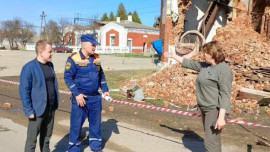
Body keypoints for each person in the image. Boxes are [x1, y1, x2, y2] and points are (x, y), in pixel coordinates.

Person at [164, 41, 233, 152]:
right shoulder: (206, 66)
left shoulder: (224, 70)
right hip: (205, 108)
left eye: (205, 52)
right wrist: (173, 56)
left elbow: (225, 94)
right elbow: (189, 64)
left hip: (215, 109)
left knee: (210, 143)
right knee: (213, 140)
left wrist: (221, 118)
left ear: (212, 54)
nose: (203, 54)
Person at [64, 34, 110, 152]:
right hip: (81, 99)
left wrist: (105, 90)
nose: (94, 47)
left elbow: (101, 76)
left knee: (95, 125)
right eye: (92, 45)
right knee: (76, 125)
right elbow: (68, 78)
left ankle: (96, 147)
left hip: (95, 98)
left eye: (95, 45)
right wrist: (77, 94)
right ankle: (74, 149)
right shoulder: (73, 59)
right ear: (84, 45)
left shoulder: (96, 58)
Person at [19, 40, 59, 152]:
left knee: (46, 138)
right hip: (37, 110)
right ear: (41, 52)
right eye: (50, 51)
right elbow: (24, 91)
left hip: (51, 108)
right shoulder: (29, 67)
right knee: (32, 141)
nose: (52, 53)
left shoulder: (50, 65)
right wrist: (29, 110)